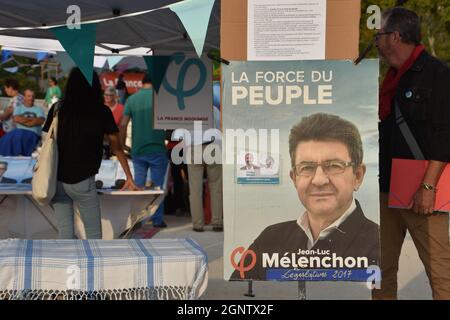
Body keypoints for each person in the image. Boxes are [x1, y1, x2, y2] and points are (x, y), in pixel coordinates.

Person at [231, 113, 379, 280]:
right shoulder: (269, 239)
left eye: (334, 166)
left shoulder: (380, 245)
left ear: (357, 176)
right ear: (294, 178)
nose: (319, 180)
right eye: (307, 167)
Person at [373, 7, 450, 300]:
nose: (376, 41)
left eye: (379, 35)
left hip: (422, 191)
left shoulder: (438, 75)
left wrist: (428, 187)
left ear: (395, 37)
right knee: (379, 271)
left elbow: (445, 136)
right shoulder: (391, 78)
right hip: (386, 187)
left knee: (440, 272)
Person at [42, 67, 139, 239]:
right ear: (96, 86)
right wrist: (129, 176)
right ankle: (90, 266)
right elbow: (116, 147)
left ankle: (70, 266)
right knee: (94, 238)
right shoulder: (102, 111)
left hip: (57, 178)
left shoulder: (57, 108)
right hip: (84, 180)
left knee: (65, 235)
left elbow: (47, 140)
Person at [119, 74, 168, 228]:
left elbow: (123, 124)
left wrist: (121, 145)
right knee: (157, 186)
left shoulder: (132, 99)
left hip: (138, 148)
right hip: (158, 147)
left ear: (142, 83)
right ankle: (157, 219)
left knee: (138, 184)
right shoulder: (161, 98)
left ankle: (136, 220)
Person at [0, 89, 45, 156]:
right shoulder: (19, 108)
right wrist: (32, 120)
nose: (31, 98)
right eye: (29, 96)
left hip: (33, 133)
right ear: (24, 97)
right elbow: (16, 119)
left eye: (33, 96)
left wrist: (23, 120)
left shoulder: (39, 109)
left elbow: (40, 121)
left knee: (19, 136)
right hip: (18, 131)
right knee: (5, 138)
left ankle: (17, 154)